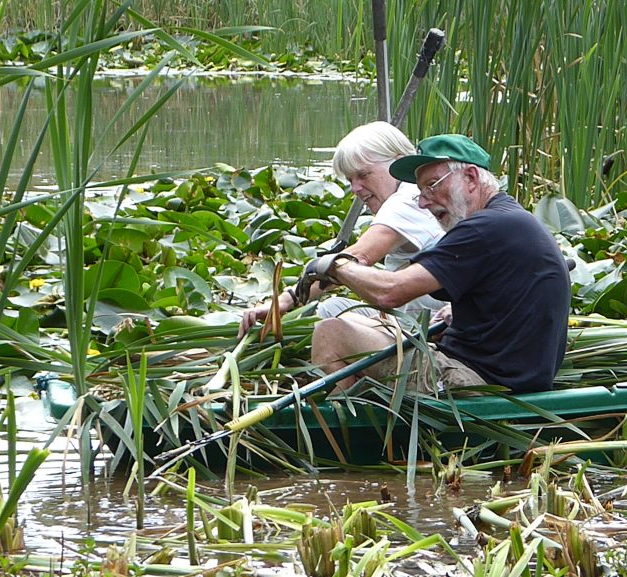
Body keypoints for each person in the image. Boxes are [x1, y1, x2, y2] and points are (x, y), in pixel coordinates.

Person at [303, 134, 571, 394]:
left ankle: (334, 432)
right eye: (420, 191)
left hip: (478, 381)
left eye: (432, 185)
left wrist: (337, 265)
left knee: (332, 332)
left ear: (470, 178)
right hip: (501, 373)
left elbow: (390, 292)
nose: (422, 201)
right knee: (357, 320)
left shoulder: (484, 228)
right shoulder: (509, 218)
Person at [238, 121, 445, 339]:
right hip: (421, 313)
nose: (355, 188)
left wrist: (286, 300)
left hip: (433, 320)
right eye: (350, 180)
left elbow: (356, 258)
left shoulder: (407, 200)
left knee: (331, 313)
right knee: (335, 308)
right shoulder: (416, 193)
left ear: (399, 162)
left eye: (364, 175)